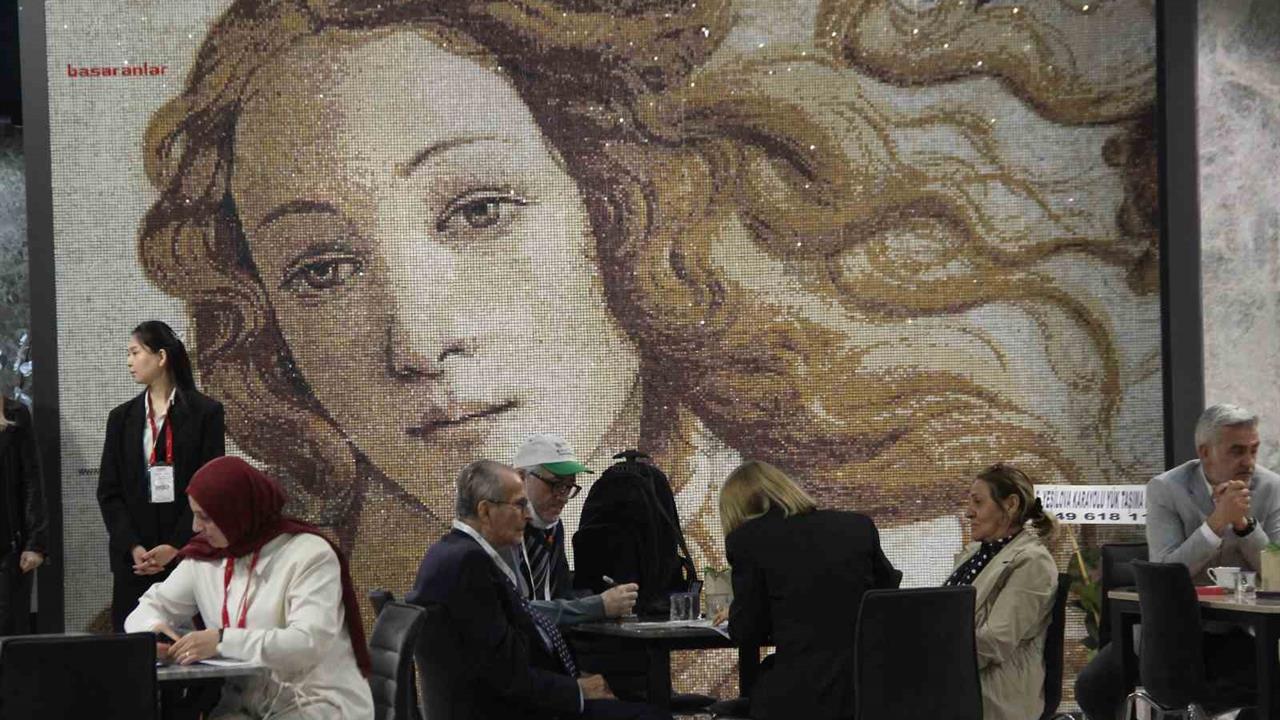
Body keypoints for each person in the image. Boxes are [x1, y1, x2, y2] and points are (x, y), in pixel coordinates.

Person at [133, 0, 1157, 606]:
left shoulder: (905, 544)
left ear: (618, 207)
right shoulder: (296, 591)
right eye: (321, 269)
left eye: (478, 210)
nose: (417, 341)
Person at [407, 459, 669, 720]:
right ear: (485, 511)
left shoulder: (451, 552)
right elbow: (507, 675)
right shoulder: (469, 564)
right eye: (519, 505)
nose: (528, 515)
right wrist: (576, 690)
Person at [125, 456, 373, 719]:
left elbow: (308, 643)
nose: (196, 527)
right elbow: (151, 607)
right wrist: (154, 636)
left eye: (205, 517)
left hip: (316, 701)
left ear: (236, 513)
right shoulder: (205, 557)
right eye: (195, 515)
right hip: (245, 705)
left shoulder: (309, 554)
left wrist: (222, 641)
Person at [1076, 403, 1278, 720]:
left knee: (1270, 684)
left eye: (1254, 450)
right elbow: (1165, 569)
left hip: (1239, 631)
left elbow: (1276, 570)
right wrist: (1216, 522)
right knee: (1093, 688)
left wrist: (1244, 526)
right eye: (1237, 451)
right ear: (1205, 452)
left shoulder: (1271, 487)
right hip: (1169, 634)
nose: (1249, 462)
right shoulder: (1167, 489)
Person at [716, 460, 897, 720]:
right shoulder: (857, 526)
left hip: (801, 699)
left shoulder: (746, 541)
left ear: (736, 511)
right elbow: (886, 596)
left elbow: (746, 632)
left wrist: (737, 612)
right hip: (868, 692)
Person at [98, 320, 225, 631]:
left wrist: (176, 545)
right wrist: (133, 546)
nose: (129, 361)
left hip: (187, 553)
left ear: (161, 357)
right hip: (134, 561)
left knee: (189, 648)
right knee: (132, 646)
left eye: (135, 352)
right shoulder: (121, 418)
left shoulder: (205, 413)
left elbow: (209, 488)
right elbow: (109, 492)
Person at [944, 463, 1057, 720]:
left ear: (1011, 504)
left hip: (992, 692)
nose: (968, 512)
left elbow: (995, 641)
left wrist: (932, 660)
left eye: (978, 502)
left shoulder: (1033, 562)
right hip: (959, 680)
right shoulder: (976, 553)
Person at [507, 433, 638, 624]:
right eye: (555, 484)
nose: (562, 497)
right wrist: (596, 606)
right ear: (521, 477)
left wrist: (604, 599)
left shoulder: (553, 525)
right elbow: (511, 611)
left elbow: (561, 595)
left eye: (568, 486)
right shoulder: (499, 529)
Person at [0, 397, 47, 634]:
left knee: (9, 630)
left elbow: (31, 479)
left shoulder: (14, 412)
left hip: (8, 546)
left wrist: (35, 543)